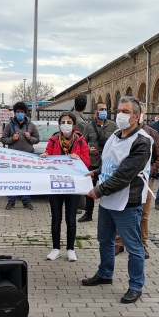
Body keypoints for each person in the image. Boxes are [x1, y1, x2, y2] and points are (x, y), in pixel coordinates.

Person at [82, 96, 152, 304]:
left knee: (133, 246)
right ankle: (105, 273)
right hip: (108, 199)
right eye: (119, 110)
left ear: (137, 116)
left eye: (126, 111)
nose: (120, 115)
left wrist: (99, 191)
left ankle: (136, 285)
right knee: (105, 239)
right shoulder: (114, 135)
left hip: (127, 201)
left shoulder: (142, 141)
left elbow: (124, 175)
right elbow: (110, 163)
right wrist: (95, 172)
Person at [115, 105, 159, 259]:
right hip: (123, 180)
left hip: (143, 182)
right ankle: (119, 242)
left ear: (140, 115)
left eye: (142, 112)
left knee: (143, 214)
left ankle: (142, 243)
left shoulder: (151, 133)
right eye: (119, 112)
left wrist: (150, 171)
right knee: (120, 209)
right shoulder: (120, 134)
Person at [40, 112, 90, 262]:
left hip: (72, 185)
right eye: (63, 122)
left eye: (69, 122)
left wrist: (78, 158)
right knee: (56, 218)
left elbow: (87, 164)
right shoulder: (53, 140)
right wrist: (44, 157)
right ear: (59, 124)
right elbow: (46, 158)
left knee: (71, 219)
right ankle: (55, 249)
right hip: (55, 184)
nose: (66, 125)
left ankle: (70, 249)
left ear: (74, 125)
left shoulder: (81, 142)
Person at [79, 102, 117, 223]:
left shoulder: (113, 126)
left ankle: (109, 213)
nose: (104, 111)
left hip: (108, 164)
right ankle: (88, 213)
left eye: (105, 109)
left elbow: (118, 142)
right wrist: (89, 149)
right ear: (95, 111)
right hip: (93, 162)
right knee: (90, 188)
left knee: (108, 188)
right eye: (101, 109)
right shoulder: (89, 126)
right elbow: (83, 143)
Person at [0, 101, 40, 210]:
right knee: (13, 179)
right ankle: (11, 201)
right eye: (18, 112)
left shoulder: (31, 125)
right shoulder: (9, 125)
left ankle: (26, 201)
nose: (20, 113)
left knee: (26, 179)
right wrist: (12, 139)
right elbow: (2, 139)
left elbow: (37, 139)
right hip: (13, 157)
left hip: (27, 157)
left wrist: (29, 138)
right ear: (15, 113)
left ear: (26, 113)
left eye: (22, 112)